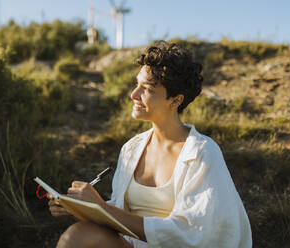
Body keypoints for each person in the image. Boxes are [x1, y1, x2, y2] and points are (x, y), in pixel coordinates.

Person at [49, 41, 252, 248]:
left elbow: (195, 232)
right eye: (137, 84)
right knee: (77, 236)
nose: (134, 94)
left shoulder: (202, 152)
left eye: (146, 88)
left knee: (77, 237)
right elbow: (124, 212)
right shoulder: (131, 148)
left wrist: (101, 207)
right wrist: (82, 208)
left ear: (175, 100)